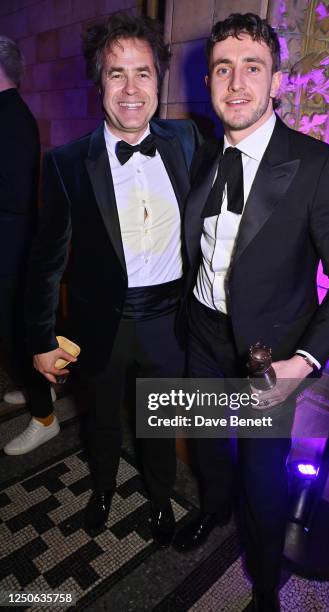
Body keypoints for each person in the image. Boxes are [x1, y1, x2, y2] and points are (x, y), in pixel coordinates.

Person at [173, 13, 329, 611]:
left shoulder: (318, 165)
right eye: (223, 69)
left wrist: (303, 361)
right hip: (202, 336)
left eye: (252, 68)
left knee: (263, 483)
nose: (236, 83)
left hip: (268, 358)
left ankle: (262, 583)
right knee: (206, 445)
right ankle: (210, 509)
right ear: (208, 82)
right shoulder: (203, 156)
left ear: (277, 80)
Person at [24, 12, 200, 546]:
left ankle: (162, 496)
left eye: (142, 73)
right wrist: (39, 340)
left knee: (158, 423)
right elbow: (45, 261)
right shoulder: (67, 162)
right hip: (100, 323)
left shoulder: (187, 139)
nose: (130, 88)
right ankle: (102, 488)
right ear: (99, 81)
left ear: (158, 79)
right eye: (116, 73)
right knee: (100, 420)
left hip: (170, 322)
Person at [0, 36, 57, 456]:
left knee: (17, 331)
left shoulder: (11, 115)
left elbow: (17, 192)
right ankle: (37, 389)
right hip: (9, 238)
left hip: (12, 242)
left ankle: (45, 418)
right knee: (14, 330)